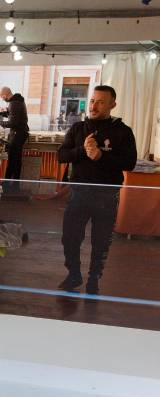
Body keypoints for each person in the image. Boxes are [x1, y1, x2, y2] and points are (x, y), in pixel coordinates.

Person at [57, 85, 137, 294]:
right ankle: (73, 274)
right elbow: (62, 156)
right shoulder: (77, 129)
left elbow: (129, 163)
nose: (94, 105)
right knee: (70, 238)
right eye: (92, 101)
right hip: (79, 193)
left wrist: (102, 156)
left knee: (101, 241)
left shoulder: (123, 131)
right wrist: (82, 150)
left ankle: (94, 279)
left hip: (106, 195)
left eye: (101, 102)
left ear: (112, 104)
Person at [0, 87, 29, 192]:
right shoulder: (16, 101)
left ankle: (11, 186)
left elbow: (13, 122)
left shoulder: (14, 103)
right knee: (15, 160)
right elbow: (13, 114)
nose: (2, 99)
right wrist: (1, 114)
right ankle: (11, 184)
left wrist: (0, 122)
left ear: (5, 94)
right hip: (19, 133)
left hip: (18, 134)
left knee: (14, 161)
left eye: (2, 96)